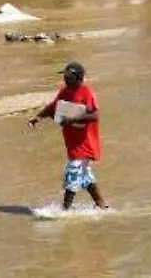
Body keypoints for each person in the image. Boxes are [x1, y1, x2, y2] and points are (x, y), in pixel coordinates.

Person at [30, 61, 108, 210]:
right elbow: (53, 106)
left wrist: (72, 119)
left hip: (84, 144)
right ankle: (101, 206)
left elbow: (94, 115)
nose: (65, 80)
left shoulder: (87, 93)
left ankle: (65, 210)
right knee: (86, 177)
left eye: (69, 78)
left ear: (79, 79)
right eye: (65, 77)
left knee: (72, 174)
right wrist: (38, 117)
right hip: (72, 144)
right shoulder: (64, 91)